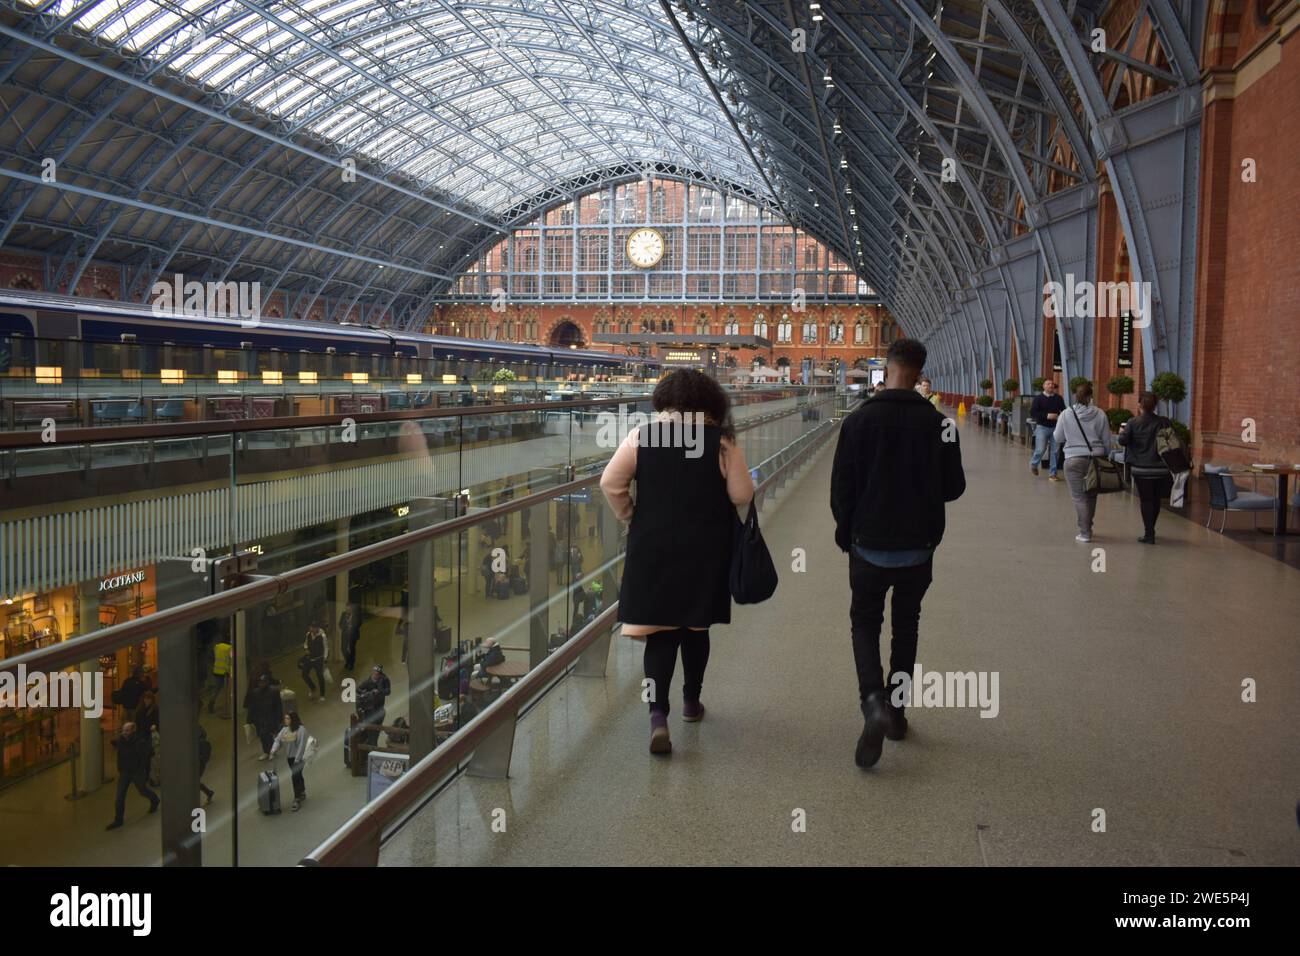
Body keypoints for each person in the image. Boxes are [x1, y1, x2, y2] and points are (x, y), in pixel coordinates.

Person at [600, 368, 755, 755]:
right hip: (705, 547)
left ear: (663, 401)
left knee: (661, 632)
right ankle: (691, 703)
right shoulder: (721, 442)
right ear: (710, 403)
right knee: (695, 628)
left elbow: (610, 483)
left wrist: (631, 515)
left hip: (653, 548)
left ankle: (657, 716)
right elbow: (741, 494)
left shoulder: (642, 435)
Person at [830, 338, 966, 770]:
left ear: (887, 368)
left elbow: (841, 492)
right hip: (918, 547)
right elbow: (954, 488)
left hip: (868, 544)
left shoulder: (858, 422)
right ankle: (898, 711)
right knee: (907, 626)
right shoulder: (940, 424)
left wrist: (847, 531)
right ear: (922, 373)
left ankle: (872, 701)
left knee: (865, 623)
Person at [1054, 381, 1113, 543]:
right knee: (1092, 495)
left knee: (1079, 497)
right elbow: (1106, 440)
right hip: (1096, 458)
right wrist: (1106, 455)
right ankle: (1088, 526)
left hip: (1073, 458)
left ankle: (1085, 532)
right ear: (1090, 396)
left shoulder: (1066, 414)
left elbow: (1058, 437)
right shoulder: (1100, 414)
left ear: (1075, 397)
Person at [1117, 391, 1173, 543]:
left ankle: (1149, 533)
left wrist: (1121, 433)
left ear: (1139, 405)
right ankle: (1151, 529)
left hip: (1141, 468)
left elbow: (1123, 441)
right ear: (1155, 406)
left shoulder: (1133, 422)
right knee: (1156, 500)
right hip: (1162, 468)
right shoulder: (1164, 422)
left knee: (1146, 500)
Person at [105, 722, 159, 830]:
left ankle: (155, 800)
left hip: (136, 772)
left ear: (133, 731)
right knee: (119, 797)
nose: (124, 733)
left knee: (143, 791)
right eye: (123, 730)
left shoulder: (140, 742)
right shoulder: (121, 741)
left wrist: (141, 768)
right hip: (124, 772)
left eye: (127, 731)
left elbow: (149, 754)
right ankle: (118, 820)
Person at [269, 711, 315, 812]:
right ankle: (302, 791)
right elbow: (278, 740)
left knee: (295, 776)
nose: (286, 720)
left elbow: (302, 746)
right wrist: (273, 750)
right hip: (290, 758)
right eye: (285, 718)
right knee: (298, 775)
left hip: (300, 757)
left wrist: (297, 759)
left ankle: (297, 798)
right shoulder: (285, 730)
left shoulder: (301, 730)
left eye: (288, 718)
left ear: (293, 719)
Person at [1029, 379, 1066, 480]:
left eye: (1052, 384)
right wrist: (1047, 415)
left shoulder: (1058, 398)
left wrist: (1059, 416)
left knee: (1055, 451)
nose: (1051, 385)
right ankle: (1033, 464)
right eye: (1048, 384)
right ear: (1044, 386)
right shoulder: (1038, 399)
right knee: (1040, 449)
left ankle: (1053, 473)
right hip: (1042, 427)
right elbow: (1033, 413)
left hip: (1056, 428)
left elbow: (1064, 411)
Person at [244, 675, 283, 761]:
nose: (261, 684)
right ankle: (267, 751)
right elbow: (252, 707)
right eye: (260, 682)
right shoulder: (255, 693)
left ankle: (271, 751)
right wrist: (249, 720)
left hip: (270, 717)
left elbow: (278, 706)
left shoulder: (273, 691)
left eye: (263, 682)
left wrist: (279, 718)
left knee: (266, 734)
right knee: (262, 736)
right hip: (259, 718)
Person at [301, 622, 328, 701]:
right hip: (310, 658)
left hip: (318, 659)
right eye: (310, 628)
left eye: (313, 628)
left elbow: (326, 647)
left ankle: (322, 694)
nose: (311, 629)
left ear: (317, 628)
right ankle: (313, 688)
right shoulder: (308, 634)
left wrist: (325, 658)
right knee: (304, 674)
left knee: (320, 676)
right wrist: (306, 649)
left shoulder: (322, 636)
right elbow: (305, 644)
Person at [208, 639, 232, 715]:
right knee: (226, 690)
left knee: (216, 689)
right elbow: (231, 660)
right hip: (225, 672)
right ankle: (225, 707)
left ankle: (211, 703)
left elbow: (213, 658)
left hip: (216, 671)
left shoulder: (216, 647)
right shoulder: (230, 648)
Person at [339, 602, 363, 671]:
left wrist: (353, 626)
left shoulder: (356, 615)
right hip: (345, 634)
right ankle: (348, 660)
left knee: (352, 649)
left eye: (349, 609)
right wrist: (345, 626)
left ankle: (351, 663)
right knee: (343, 648)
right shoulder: (343, 614)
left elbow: (360, 623)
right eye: (347, 609)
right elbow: (340, 624)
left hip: (353, 635)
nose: (348, 610)